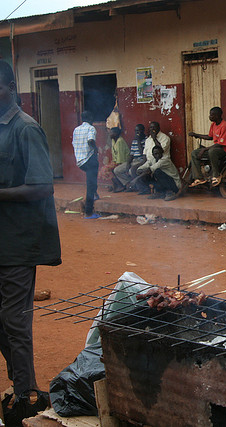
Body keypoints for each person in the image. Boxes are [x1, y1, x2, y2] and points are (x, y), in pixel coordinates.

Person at [0, 60, 61, 424]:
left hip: (19, 244)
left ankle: (26, 395)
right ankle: (20, 383)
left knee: (14, 320)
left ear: (11, 87)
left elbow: (43, 186)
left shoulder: (26, 128)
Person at [188, 107, 226, 187]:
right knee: (194, 153)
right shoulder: (213, 125)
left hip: (225, 149)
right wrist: (196, 135)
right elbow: (210, 137)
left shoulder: (224, 126)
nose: (210, 116)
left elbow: (221, 144)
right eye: (210, 115)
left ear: (217, 115)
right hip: (216, 148)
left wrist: (204, 149)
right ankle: (199, 178)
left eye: (212, 115)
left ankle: (216, 175)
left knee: (212, 151)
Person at [71, 110, 100, 219]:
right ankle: (88, 212)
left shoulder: (76, 129)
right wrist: (96, 149)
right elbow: (90, 141)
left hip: (80, 161)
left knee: (91, 179)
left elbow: (74, 144)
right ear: (90, 118)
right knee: (90, 185)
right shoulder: (91, 128)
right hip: (89, 159)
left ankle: (95, 194)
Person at [139, 121, 171, 195]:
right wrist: (142, 164)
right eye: (151, 127)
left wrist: (154, 139)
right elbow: (145, 153)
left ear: (158, 128)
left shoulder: (165, 138)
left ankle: (159, 191)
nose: (152, 129)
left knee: (154, 171)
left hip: (161, 162)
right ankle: (146, 189)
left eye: (154, 127)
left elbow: (161, 150)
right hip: (150, 162)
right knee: (137, 170)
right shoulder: (148, 139)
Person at [113, 124, 147, 192]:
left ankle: (136, 186)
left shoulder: (146, 140)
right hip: (134, 160)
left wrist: (138, 141)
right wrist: (128, 163)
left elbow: (142, 153)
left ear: (143, 131)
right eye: (136, 131)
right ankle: (129, 185)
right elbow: (131, 154)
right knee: (117, 170)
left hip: (141, 161)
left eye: (139, 131)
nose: (137, 133)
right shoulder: (134, 140)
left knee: (132, 170)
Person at [107, 127, 129, 192]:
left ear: (116, 134)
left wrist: (115, 164)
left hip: (125, 161)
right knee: (105, 170)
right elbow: (114, 154)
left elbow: (121, 156)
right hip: (117, 161)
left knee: (109, 170)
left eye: (111, 133)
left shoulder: (120, 141)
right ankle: (116, 184)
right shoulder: (113, 140)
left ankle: (120, 185)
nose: (110, 134)